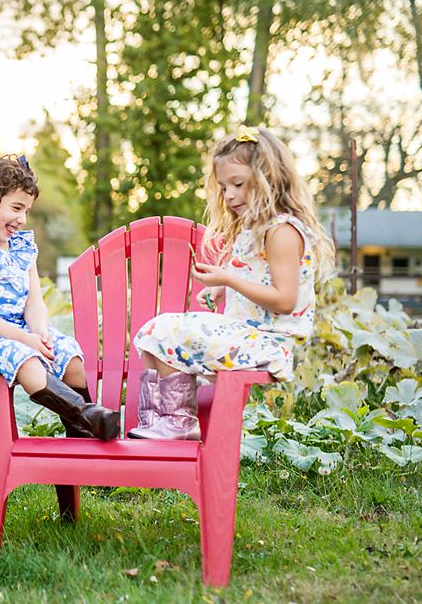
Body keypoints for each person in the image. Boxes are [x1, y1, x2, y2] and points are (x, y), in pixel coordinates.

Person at [129, 126, 334, 440]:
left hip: (269, 343)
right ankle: (161, 419)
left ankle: (181, 422)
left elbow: (285, 300)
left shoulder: (282, 232)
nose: (230, 195)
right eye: (224, 187)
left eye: (237, 184)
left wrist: (229, 279)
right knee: (152, 333)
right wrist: (221, 287)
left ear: (268, 177)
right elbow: (255, 275)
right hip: (245, 334)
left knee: (165, 329)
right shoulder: (253, 229)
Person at [0, 155, 121, 441]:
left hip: (24, 331)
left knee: (70, 357)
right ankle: (88, 416)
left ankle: (82, 436)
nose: (22, 219)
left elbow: (34, 301)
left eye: (26, 210)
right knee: (26, 360)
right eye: (16, 208)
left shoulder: (22, 247)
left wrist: (39, 332)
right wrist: (25, 340)